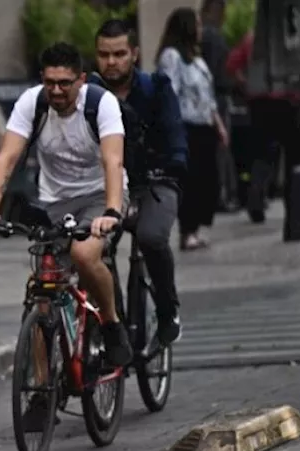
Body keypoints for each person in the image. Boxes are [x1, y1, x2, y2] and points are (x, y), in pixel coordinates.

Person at [0, 42, 133, 369]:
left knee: (83, 255)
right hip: (54, 203)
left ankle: (110, 322)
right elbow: (7, 158)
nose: (57, 90)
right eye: (50, 83)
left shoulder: (101, 104)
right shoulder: (32, 103)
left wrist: (112, 211)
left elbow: (113, 159)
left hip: (99, 197)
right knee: (41, 294)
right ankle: (39, 389)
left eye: (65, 83)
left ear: (82, 80)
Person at [91, 19, 188, 344]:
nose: (111, 62)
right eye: (104, 54)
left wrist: (175, 161)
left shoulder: (157, 88)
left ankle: (167, 310)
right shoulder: (88, 94)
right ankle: (111, 322)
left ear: (134, 53)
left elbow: (174, 130)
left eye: (119, 53)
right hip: (109, 186)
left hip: (155, 182)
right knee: (94, 249)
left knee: (150, 236)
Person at [157, 7, 228, 251]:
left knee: (209, 180)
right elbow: (170, 92)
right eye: (196, 25)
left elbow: (207, 96)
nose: (200, 30)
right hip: (186, 126)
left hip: (204, 126)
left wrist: (218, 123)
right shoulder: (172, 57)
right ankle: (188, 230)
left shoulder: (197, 60)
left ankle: (198, 227)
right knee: (191, 180)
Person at [227, 28, 300, 224]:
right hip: (288, 101)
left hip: (260, 102)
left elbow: (232, 65)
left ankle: (256, 199)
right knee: (294, 155)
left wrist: (247, 85)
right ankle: (296, 205)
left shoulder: (252, 38)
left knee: (262, 155)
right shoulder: (293, 36)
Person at [199, 0, 239, 213]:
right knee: (221, 149)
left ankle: (220, 194)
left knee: (217, 150)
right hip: (217, 97)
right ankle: (222, 195)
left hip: (211, 98)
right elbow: (218, 72)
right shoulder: (213, 37)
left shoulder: (203, 37)